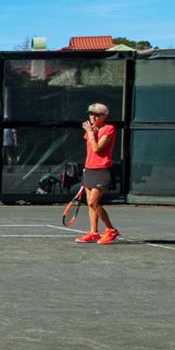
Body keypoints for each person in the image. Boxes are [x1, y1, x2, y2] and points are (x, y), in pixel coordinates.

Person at [76, 102, 119, 244]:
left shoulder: (109, 129)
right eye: (90, 114)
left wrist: (91, 133)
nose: (92, 117)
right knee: (89, 204)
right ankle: (94, 232)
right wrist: (85, 168)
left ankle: (111, 230)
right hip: (89, 170)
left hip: (102, 170)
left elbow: (97, 149)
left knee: (93, 202)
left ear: (104, 116)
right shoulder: (92, 130)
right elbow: (89, 152)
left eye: (96, 115)